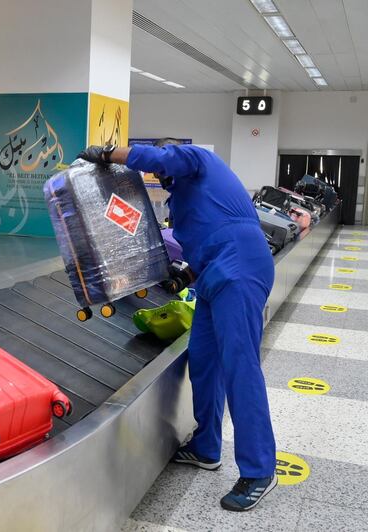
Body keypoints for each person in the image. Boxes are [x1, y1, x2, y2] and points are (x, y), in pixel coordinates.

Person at [78, 140, 277, 512]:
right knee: (203, 359)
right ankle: (206, 446)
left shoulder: (197, 159)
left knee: (240, 368)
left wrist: (107, 155)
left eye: (160, 168)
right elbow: (207, 240)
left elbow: (160, 157)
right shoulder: (183, 196)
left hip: (241, 269)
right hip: (215, 275)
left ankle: (260, 470)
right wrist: (184, 275)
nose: (159, 174)